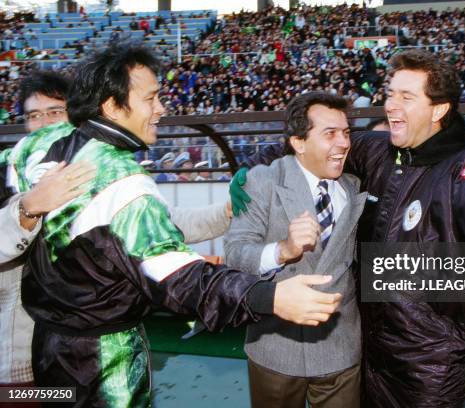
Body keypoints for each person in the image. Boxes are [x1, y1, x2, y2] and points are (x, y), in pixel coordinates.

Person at [13, 42, 341, 407]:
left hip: (47, 346)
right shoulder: (124, 183)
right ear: (111, 106)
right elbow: (181, 280)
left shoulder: (40, 144)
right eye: (151, 98)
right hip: (103, 361)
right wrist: (271, 296)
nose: (161, 109)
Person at [232, 49, 465, 407]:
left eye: (406, 97)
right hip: (368, 353)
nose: (391, 105)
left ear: (438, 110)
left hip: (429, 369)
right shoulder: (378, 151)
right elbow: (308, 142)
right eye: (390, 94)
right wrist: (253, 168)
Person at [224, 92, 365, 408]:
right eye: (330, 134)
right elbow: (234, 255)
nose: (343, 143)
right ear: (299, 142)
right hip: (276, 348)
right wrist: (282, 250)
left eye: (345, 133)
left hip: (340, 347)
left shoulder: (354, 187)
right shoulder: (262, 181)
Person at [0, 71, 97, 394]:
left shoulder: (92, 169)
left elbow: (149, 225)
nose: (44, 124)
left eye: (55, 112)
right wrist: (28, 209)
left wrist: (224, 213)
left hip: (81, 349)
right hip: (18, 360)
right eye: (34, 116)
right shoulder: (7, 172)